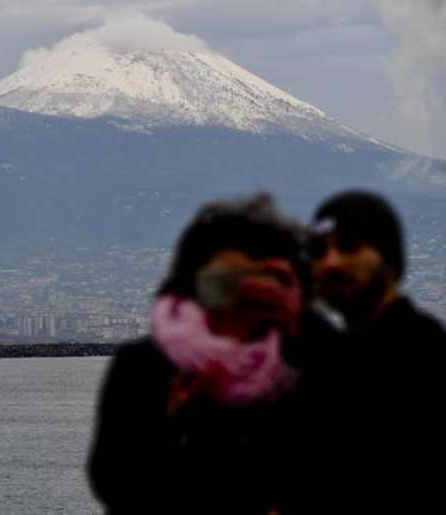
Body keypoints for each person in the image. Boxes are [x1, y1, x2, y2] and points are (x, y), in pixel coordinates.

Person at [87, 194, 319, 514]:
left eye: (254, 286)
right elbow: (115, 484)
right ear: (189, 285)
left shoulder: (306, 364)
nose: (234, 301)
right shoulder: (145, 366)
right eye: (220, 285)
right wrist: (172, 425)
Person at [297, 190, 446, 513]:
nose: (331, 263)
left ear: (389, 261)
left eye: (349, 247)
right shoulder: (356, 349)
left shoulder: (414, 353)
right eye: (319, 251)